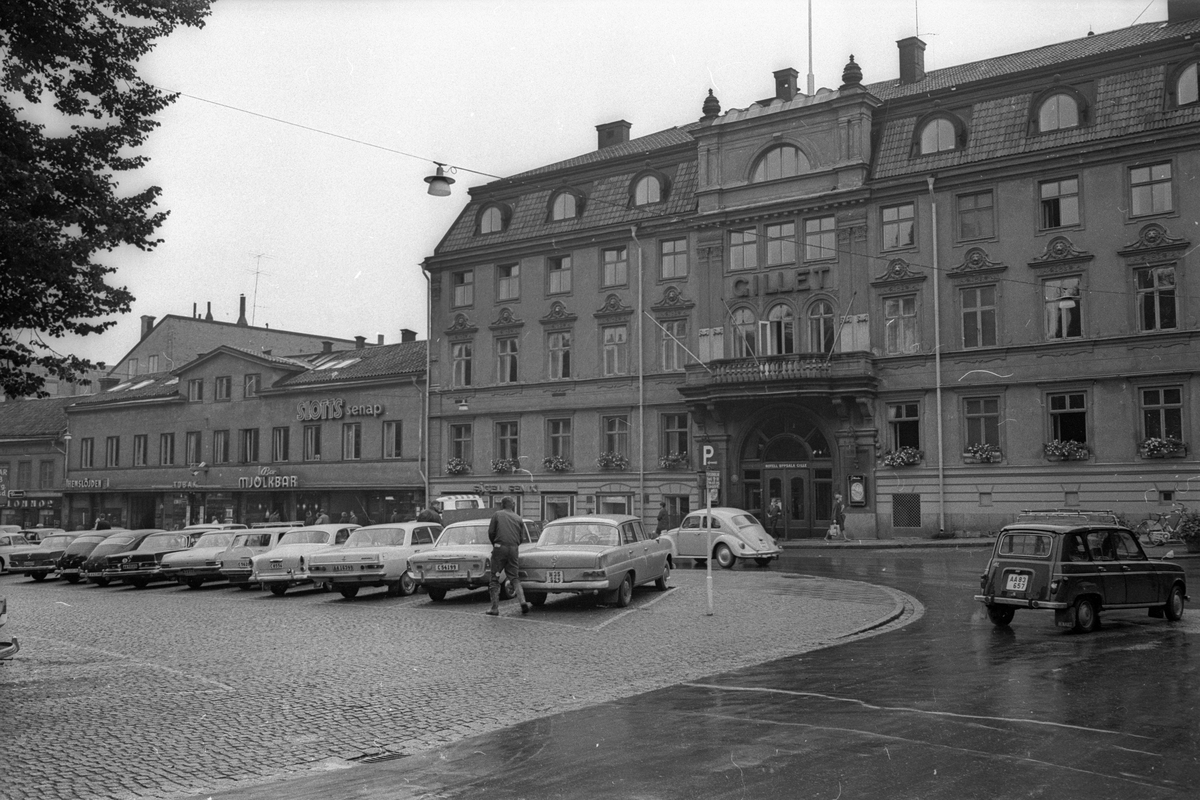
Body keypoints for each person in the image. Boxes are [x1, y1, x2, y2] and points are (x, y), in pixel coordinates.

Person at [486, 497, 529, 616]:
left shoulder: (497, 515)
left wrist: (495, 544)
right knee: (515, 578)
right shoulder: (518, 518)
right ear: (513, 505)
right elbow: (521, 538)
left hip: (500, 547)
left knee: (494, 579)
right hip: (514, 548)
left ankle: (494, 608)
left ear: (502, 505)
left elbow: (491, 532)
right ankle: (523, 602)